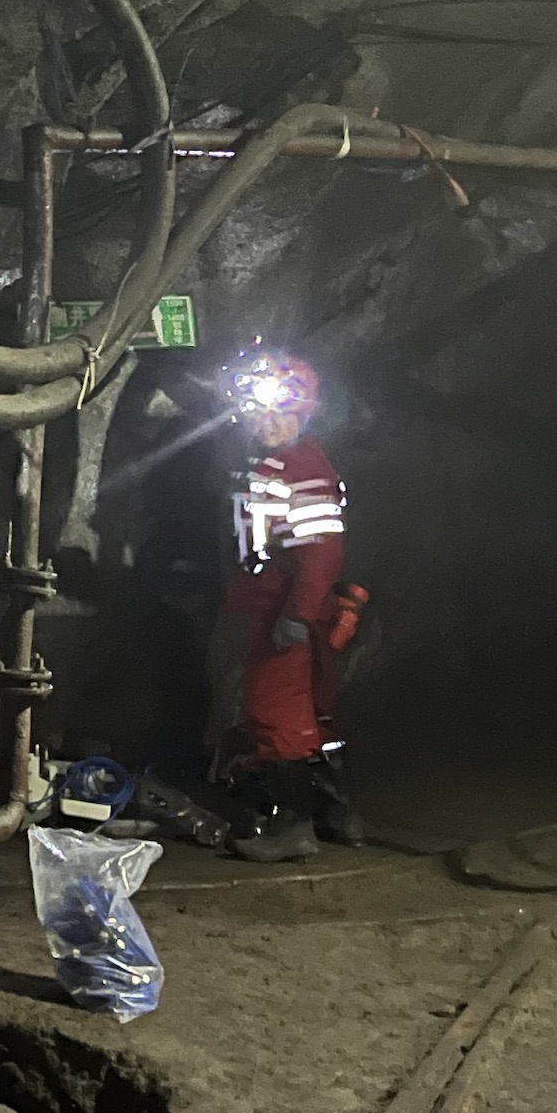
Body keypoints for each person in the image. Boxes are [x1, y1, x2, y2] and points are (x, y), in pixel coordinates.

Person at [217, 352, 367, 862]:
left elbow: (321, 552)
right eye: (260, 413)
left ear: (303, 415)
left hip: (287, 613)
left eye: (281, 414)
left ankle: (295, 828)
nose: (268, 423)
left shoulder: (303, 467)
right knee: (310, 715)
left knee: (276, 714)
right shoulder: (275, 464)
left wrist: (298, 616)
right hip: (273, 607)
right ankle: (338, 816)